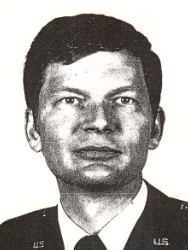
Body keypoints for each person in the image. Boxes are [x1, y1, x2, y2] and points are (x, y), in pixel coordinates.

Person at [0, 14, 188, 250]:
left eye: (123, 100)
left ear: (155, 128)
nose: (100, 122)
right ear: (33, 129)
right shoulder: (9, 240)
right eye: (70, 99)